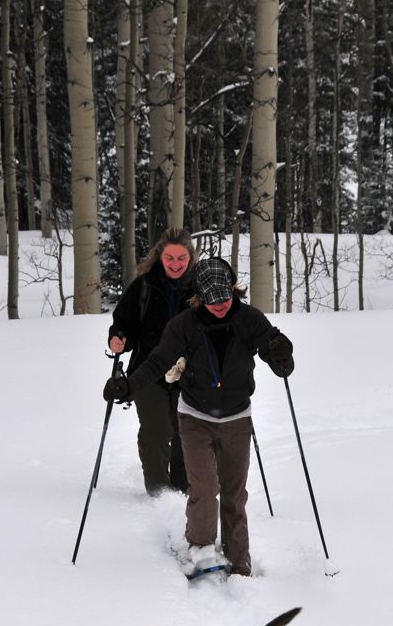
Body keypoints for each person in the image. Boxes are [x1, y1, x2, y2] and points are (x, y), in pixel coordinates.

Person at [103, 257, 294, 576]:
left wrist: (282, 354)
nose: (218, 304)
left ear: (234, 290)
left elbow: (277, 360)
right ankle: (202, 549)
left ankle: (238, 558)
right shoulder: (184, 325)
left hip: (236, 417)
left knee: (234, 492)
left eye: (224, 296)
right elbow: (157, 361)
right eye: (210, 298)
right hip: (195, 417)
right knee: (204, 487)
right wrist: (129, 385)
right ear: (199, 297)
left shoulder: (250, 319)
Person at [107, 227, 197, 494]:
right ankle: (158, 493)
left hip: (190, 374)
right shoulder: (144, 286)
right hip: (149, 372)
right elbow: (124, 323)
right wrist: (118, 337)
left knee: (186, 434)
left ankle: (183, 491)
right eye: (170, 258)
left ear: (190, 257)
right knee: (156, 431)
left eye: (181, 258)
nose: (175, 264)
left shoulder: (200, 286)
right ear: (160, 256)